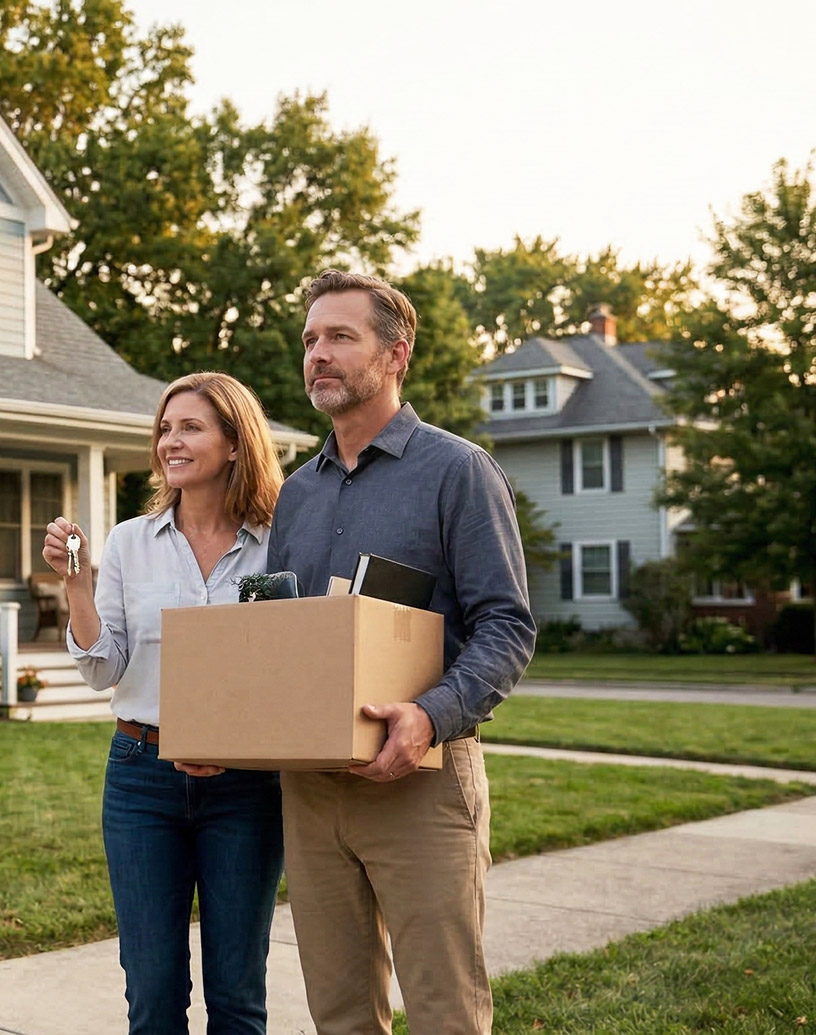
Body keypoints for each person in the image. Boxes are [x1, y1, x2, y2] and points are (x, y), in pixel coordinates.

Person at [267, 270, 536, 1035]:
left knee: (446, 1008)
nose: (318, 353)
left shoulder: (457, 470)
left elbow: (507, 625)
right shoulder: (298, 493)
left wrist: (427, 715)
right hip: (314, 788)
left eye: (340, 336)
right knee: (342, 1012)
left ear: (396, 353)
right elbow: (286, 635)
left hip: (423, 779)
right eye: (311, 339)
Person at [45, 371, 286, 1035]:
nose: (169, 441)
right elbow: (105, 667)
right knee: (152, 996)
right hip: (141, 776)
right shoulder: (129, 541)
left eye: (190, 427)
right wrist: (77, 586)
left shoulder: (278, 542)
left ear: (236, 443)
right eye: (164, 428)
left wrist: (236, 743)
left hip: (247, 787)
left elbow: (289, 670)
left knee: (238, 995)